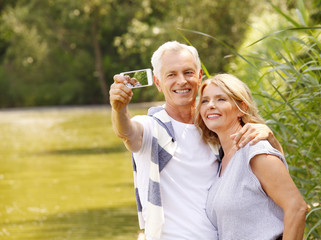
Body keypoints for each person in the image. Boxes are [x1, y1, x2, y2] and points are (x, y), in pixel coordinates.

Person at [109, 41, 283, 240]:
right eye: (171, 75)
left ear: (199, 77)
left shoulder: (215, 128)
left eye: (188, 72)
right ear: (158, 83)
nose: (182, 81)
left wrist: (270, 137)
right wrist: (119, 108)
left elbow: (271, 173)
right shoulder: (151, 127)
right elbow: (126, 132)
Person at [194, 74, 308, 240]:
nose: (210, 105)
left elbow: (297, 207)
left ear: (242, 107)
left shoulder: (255, 149)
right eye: (205, 101)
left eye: (221, 99)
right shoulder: (221, 160)